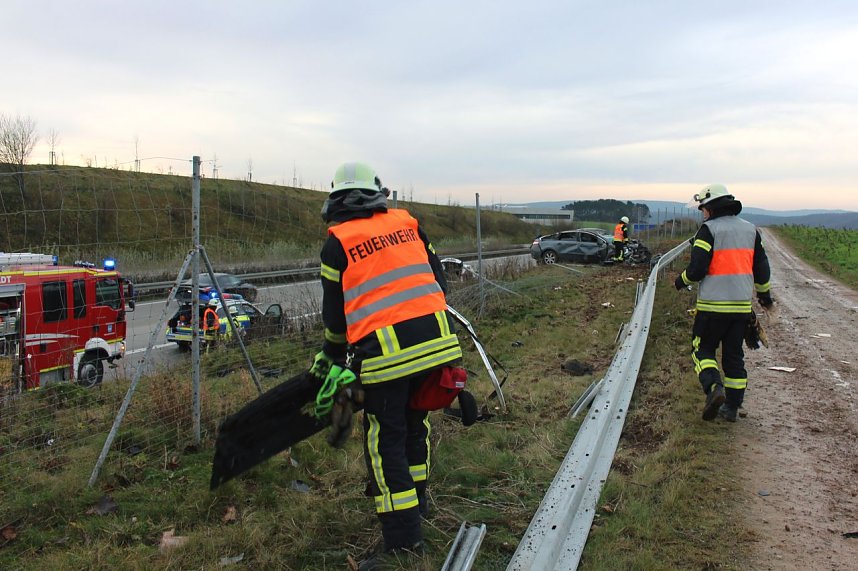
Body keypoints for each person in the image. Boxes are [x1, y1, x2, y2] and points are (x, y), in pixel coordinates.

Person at [312, 162, 463, 566]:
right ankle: (418, 505)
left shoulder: (337, 243)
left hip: (386, 358)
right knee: (417, 425)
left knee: (385, 442)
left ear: (335, 199)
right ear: (378, 193)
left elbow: (335, 319)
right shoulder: (408, 224)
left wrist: (330, 357)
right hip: (437, 343)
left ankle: (403, 542)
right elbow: (439, 283)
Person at [675, 184, 773, 422]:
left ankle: (713, 388)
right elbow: (761, 268)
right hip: (740, 310)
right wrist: (764, 297)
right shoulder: (750, 230)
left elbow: (697, 269)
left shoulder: (708, 230)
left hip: (712, 308)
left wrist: (681, 280)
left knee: (702, 350)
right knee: (733, 357)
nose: (702, 213)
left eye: (703, 209)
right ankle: (731, 407)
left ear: (711, 208)